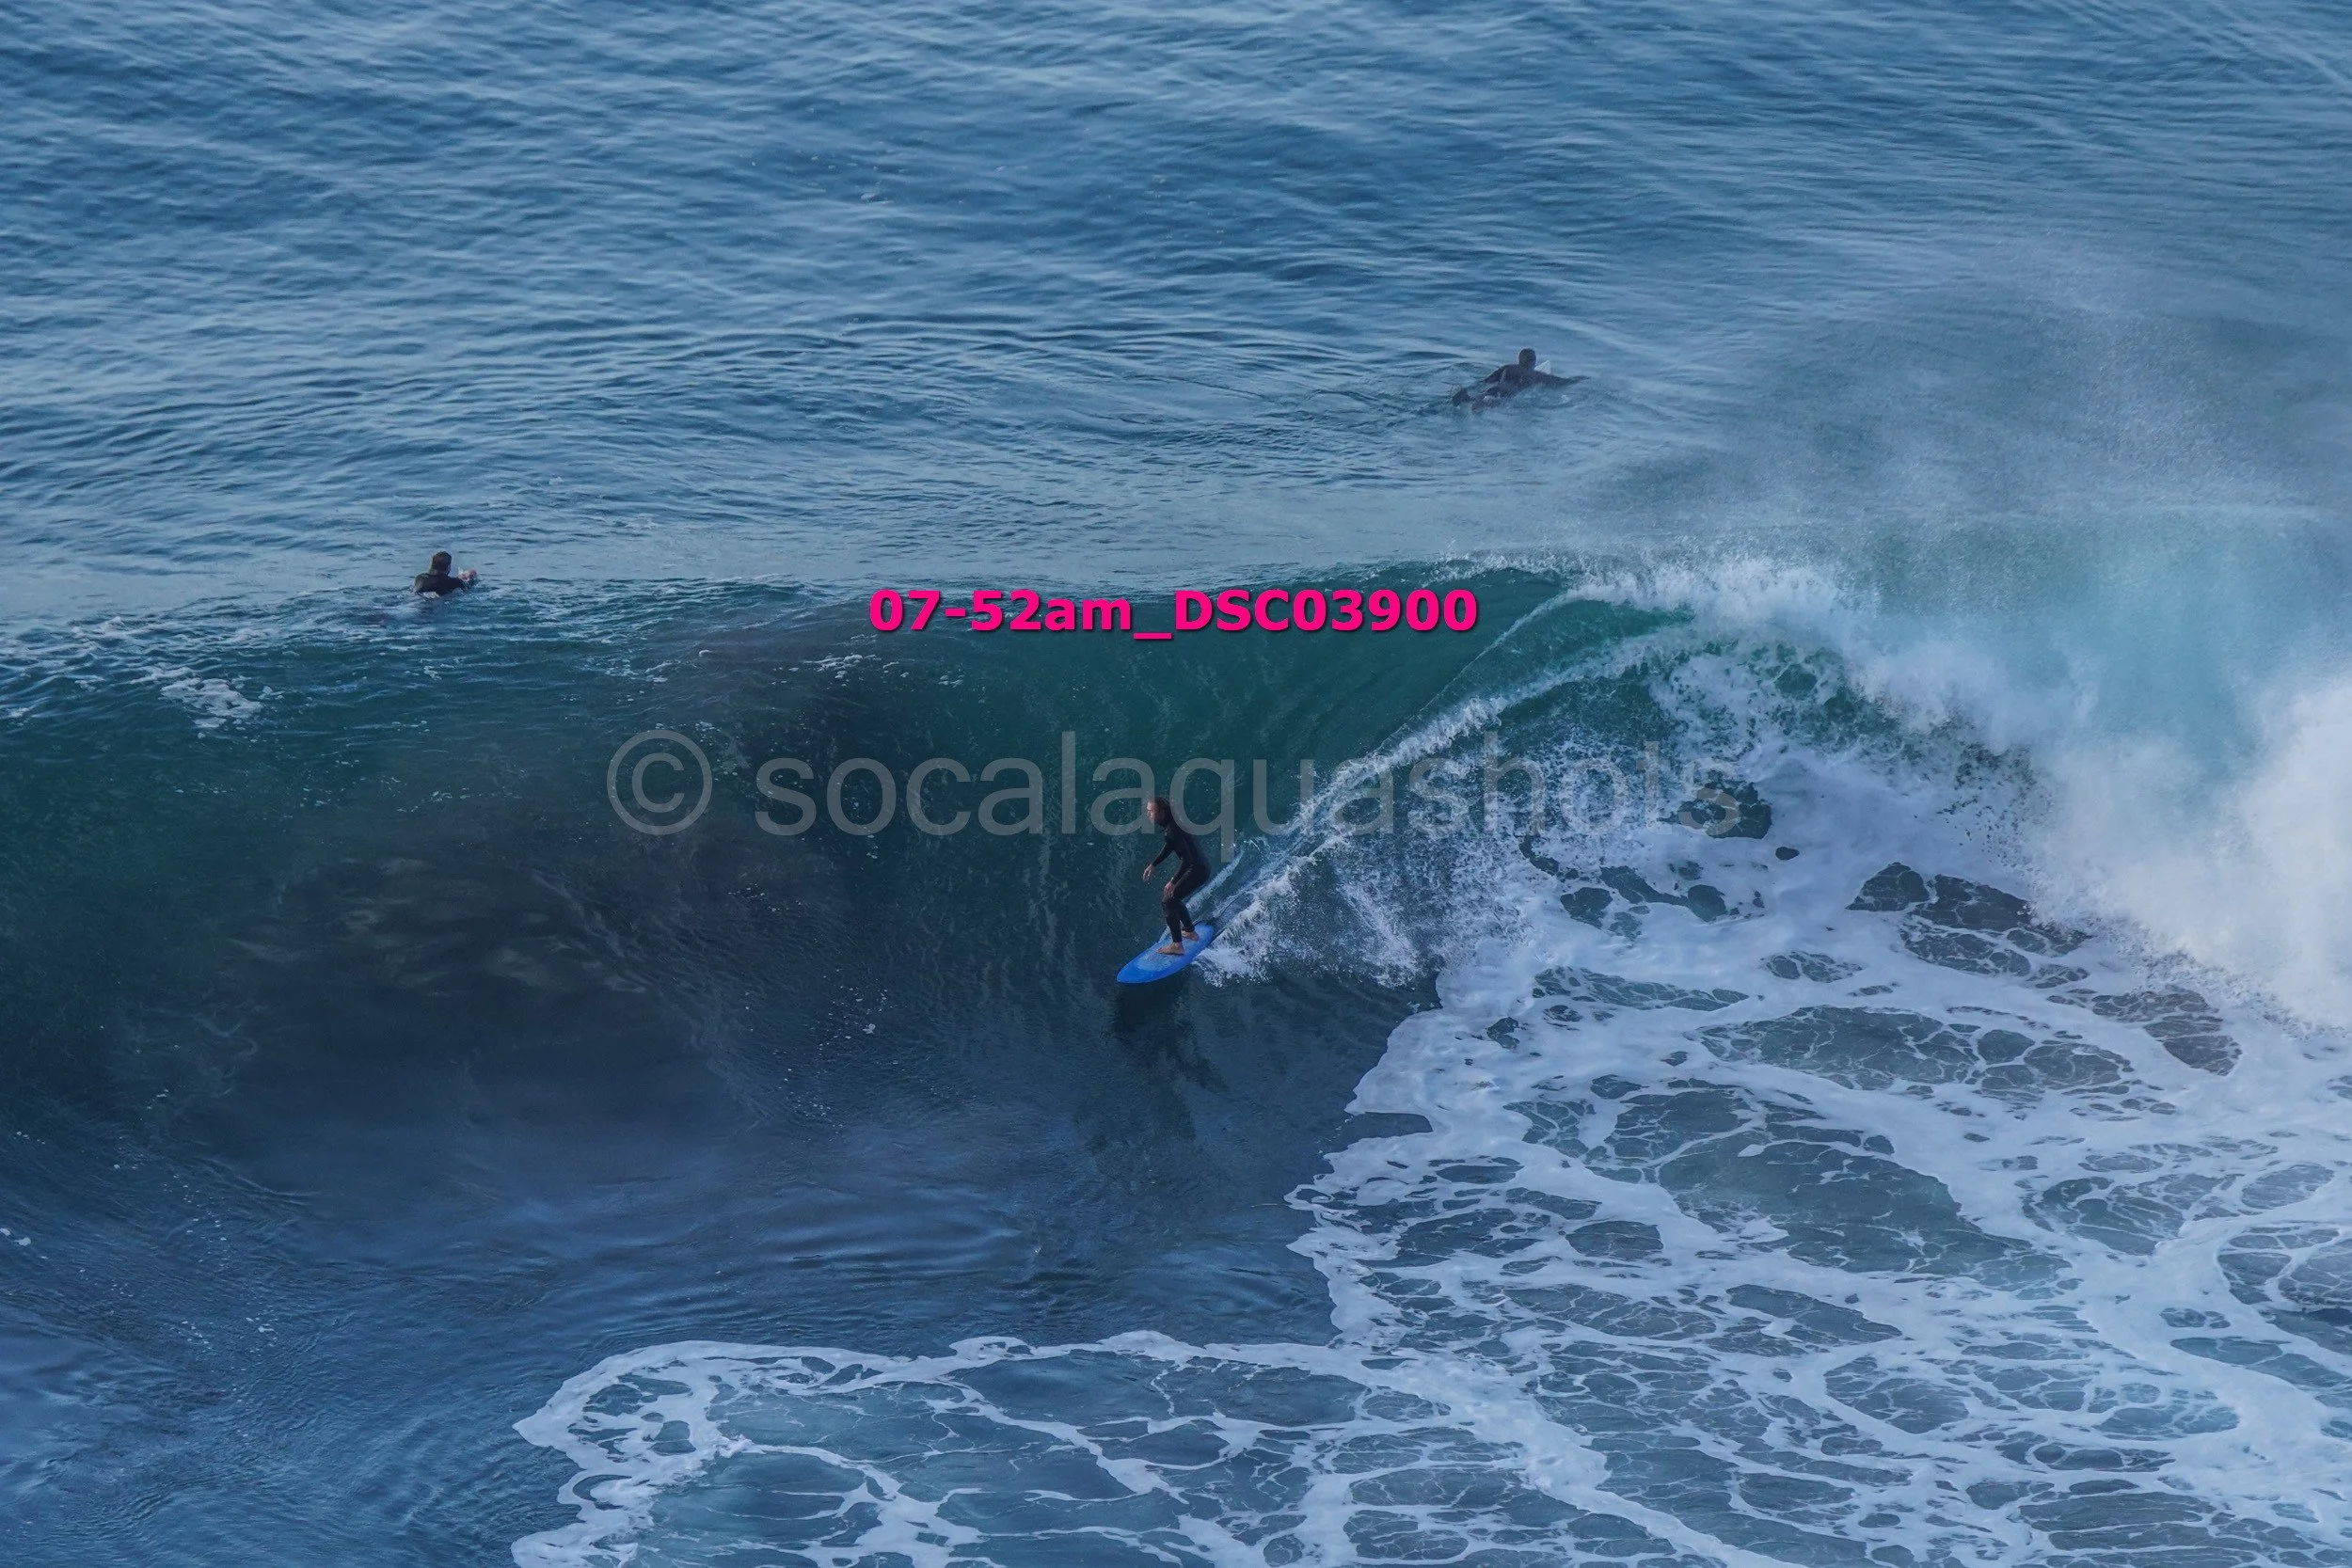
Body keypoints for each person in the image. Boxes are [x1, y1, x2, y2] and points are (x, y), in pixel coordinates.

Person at [1140, 797, 1209, 956]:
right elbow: (1169, 845)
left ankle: (1177, 946)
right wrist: (1154, 864)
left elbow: (1187, 859)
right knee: (1173, 899)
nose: (1147, 814)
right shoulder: (1172, 826)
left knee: (1168, 901)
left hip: (1196, 870)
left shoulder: (1173, 829)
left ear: (1161, 813)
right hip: (1199, 867)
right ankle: (1190, 931)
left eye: (1150, 811)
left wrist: (1173, 881)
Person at [1454, 348, 1578, 406]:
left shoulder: (1507, 367)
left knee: (1485, 394)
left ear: (1519, 359)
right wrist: (1579, 379)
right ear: (1533, 362)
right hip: (1508, 393)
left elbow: (1486, 381)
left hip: (1496, 387)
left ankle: (1467, 398)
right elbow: (1560, 382)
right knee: (1493, 402)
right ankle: (1479, 404)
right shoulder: (1535, 374)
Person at [413, 551, 477, 595]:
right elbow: (467, 586)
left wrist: (457, 578)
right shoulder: (451, 582)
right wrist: (470, 575)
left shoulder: (420, 577)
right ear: (448, 567)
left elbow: (437, 580)